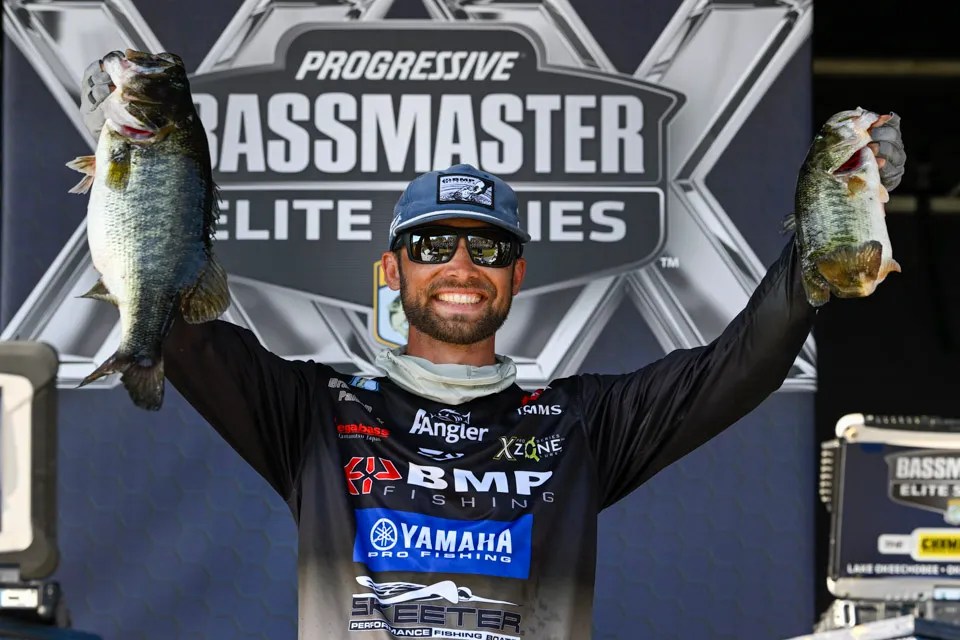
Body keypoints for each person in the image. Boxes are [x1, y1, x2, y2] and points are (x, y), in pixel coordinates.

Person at [80, 59, 906, 639]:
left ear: (516, 274)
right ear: (393, 270)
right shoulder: (314, 416)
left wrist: (833, 222)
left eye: (489, 247)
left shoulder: (582, 424)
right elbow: (171, 315)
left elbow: (743, 363)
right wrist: (135, 151)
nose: (461, 266)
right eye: (432, 244)